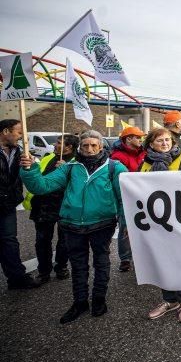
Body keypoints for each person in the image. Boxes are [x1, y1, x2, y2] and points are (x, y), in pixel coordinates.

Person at [20, 130, 127, 324]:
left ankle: (98, 300)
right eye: (85, 145)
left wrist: (125, 221)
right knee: (78, 265)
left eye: (94, 145)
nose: (89, 149)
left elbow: (125, 197)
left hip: (102, 224)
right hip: (71, 225)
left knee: (101, 262)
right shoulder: (70, 168)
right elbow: (41, 186)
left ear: (101, 147)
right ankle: (79, 302)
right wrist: (30, 171)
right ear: (80, 147)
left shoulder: (115, 168)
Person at [140, 127, 181, 322]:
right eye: (160, 141)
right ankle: (169, 299)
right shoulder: (146, 163)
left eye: (168, 140)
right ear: (151, 144)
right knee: (163, 260)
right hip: (157, 220)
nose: (165, 144)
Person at [28, 134, 79, 282]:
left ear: (69, 147)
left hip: (65, 205)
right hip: (44, 205)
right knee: (42, 240)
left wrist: (65, 170)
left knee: (65, 240)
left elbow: (78, 184)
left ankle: (61, 267)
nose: (55, 145)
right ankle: (43, 271)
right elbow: (41, 178)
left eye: (59, 143)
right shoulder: (48, 157)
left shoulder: (77, 162)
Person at [0, 119, 41, 290]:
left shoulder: (20, 151)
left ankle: (16, 278)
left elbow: (25, 175)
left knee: (9, 241)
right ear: (6, 131)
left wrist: (30, 166)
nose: (21, 136)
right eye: (18, 132)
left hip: (7, 204)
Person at [109, 125, 146, 272]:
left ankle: (142, 256)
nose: (140, 140)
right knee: (125, 229)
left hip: (143, 196)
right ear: (128, 139)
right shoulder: (118, 157)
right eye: (137, 137)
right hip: (126, 198)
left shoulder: (144, 152)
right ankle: (125, 258)